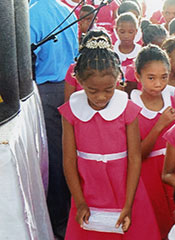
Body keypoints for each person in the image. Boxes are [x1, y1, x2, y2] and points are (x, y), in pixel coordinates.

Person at [58, 37, 160, 239]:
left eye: (108, 90)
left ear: (118, 81)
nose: (101, 97)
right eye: (92, 90)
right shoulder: (70, 112)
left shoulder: (127, 110)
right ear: (80, 82)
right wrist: (79, 202)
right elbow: (69, 160)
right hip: (89, 190)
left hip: (125, 188)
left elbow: (134, 157)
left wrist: (129, 204)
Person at [27, 0, 80, 237]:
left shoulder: (27, 15)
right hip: (74, 90)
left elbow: (27, 65)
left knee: (56, 159)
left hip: (47, 93)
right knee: (73, 154)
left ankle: (60, 223)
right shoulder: (67, 10)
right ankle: (73, 213)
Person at [129, 46, 175, 238]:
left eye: (164, 77)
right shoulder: (131, 109)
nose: (158, 84)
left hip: (174, 171)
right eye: (151, 77)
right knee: (154, 223)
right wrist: (159, 125)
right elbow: (138, 153)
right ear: (138, 76)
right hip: (147, 177)